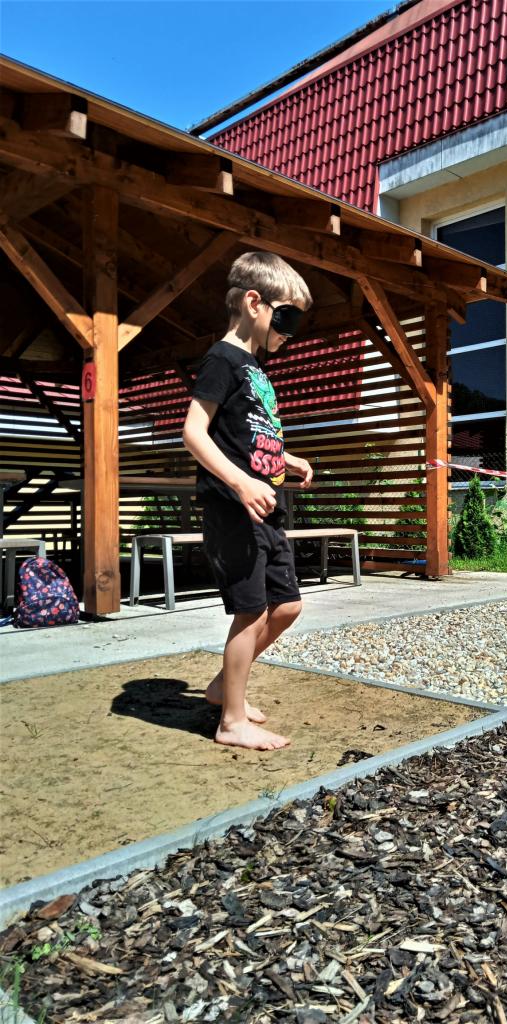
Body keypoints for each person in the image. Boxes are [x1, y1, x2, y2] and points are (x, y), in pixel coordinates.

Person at [182, 251, 313, 750]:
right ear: (254, 303)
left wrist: (287, 458)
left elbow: (250, 434)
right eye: (288, 318)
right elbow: (194, 433)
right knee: (252, 611)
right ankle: (231, 721)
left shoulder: (254, 368)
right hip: (234, 507)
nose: (292, 332)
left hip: (266, 506)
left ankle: (223, 687)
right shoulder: (222, 359)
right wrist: (240, 483)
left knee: (287, 605)